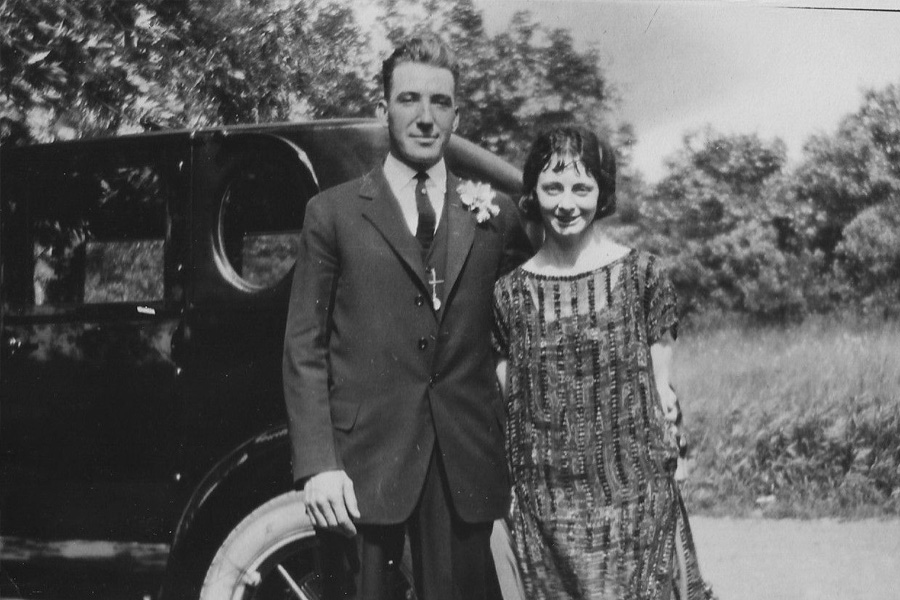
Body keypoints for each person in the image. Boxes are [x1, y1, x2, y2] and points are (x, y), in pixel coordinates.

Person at [282, 34, 532, 600]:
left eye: (440, 102)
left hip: (464, 465)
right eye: (409, 99)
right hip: (363, 469)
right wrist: (319, 464)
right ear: (383, 109)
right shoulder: (333, 213)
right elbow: (304, 348)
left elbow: (533, 322)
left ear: (456, 117)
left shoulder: (495, 217)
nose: (425, 117)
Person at [492, 127, 715, 599]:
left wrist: (674, 456)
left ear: (602, 191)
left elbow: (662, 393)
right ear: (533, 191)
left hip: (634, 507)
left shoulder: (643, 276)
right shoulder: (508, 294)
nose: (566, 203)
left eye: (581, 187)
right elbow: (510, 406)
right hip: (546, 512)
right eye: (552, 187)